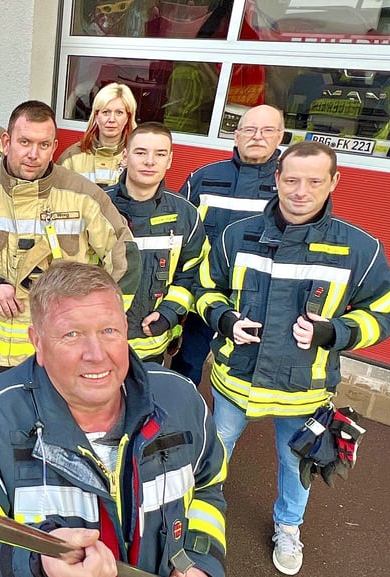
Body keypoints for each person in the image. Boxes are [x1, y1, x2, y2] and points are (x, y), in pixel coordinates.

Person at [0, 261, 227, 577]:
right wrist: (38, 572)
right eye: (71, 335)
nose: (96, 353)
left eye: (108, 330)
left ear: (125, 330)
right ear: (38, 344)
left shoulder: (181, 400)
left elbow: (206, 488)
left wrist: (201, 563)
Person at [193, 140, 390, 576]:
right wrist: (225, 319)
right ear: (277, 180)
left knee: (295, 463)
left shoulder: (361, 250)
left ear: (334, 182)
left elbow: (387, 312)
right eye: (291, 179)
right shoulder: (237, 235)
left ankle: (289, 526)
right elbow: (204, 289)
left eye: (313, 181)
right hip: (237, 380)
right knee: (214, 453)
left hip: (303, 390)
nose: (300, 191)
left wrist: (335, 332)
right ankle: (197, 521)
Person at [0, 100, 142, 385]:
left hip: (64, 353)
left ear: (54, 147)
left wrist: (99, 324)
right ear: (6, 142)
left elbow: (125, 258)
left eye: (43, 145)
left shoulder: (84, 196)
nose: (33, 154)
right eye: (24, 142)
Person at [170, 104, 285, 386]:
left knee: (242, 370)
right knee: (188, 358)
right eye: (249, 129)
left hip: (255, 297)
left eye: (267, 130)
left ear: (280, 137)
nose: (257, 136)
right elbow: (178, 229)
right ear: (236, 136)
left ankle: (226, 425)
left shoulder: (288, 185)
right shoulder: (204, 178)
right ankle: (182, 412)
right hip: (204, 289)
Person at [108, 122, 207, 363]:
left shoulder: (186, 215)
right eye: (141, 152)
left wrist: (169, 313)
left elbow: (193, 273)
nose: (150, 161)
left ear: (170, 160)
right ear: (125, 156)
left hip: (151, 347)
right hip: (99, 344)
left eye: (159, 154)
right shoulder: (98, 207)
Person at [57, 82, 138, 188]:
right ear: (96, 116)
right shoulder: (71, 157)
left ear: (128, 117)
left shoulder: (137, 157)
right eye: (106, 112)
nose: (112, 120)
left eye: (119, 113)